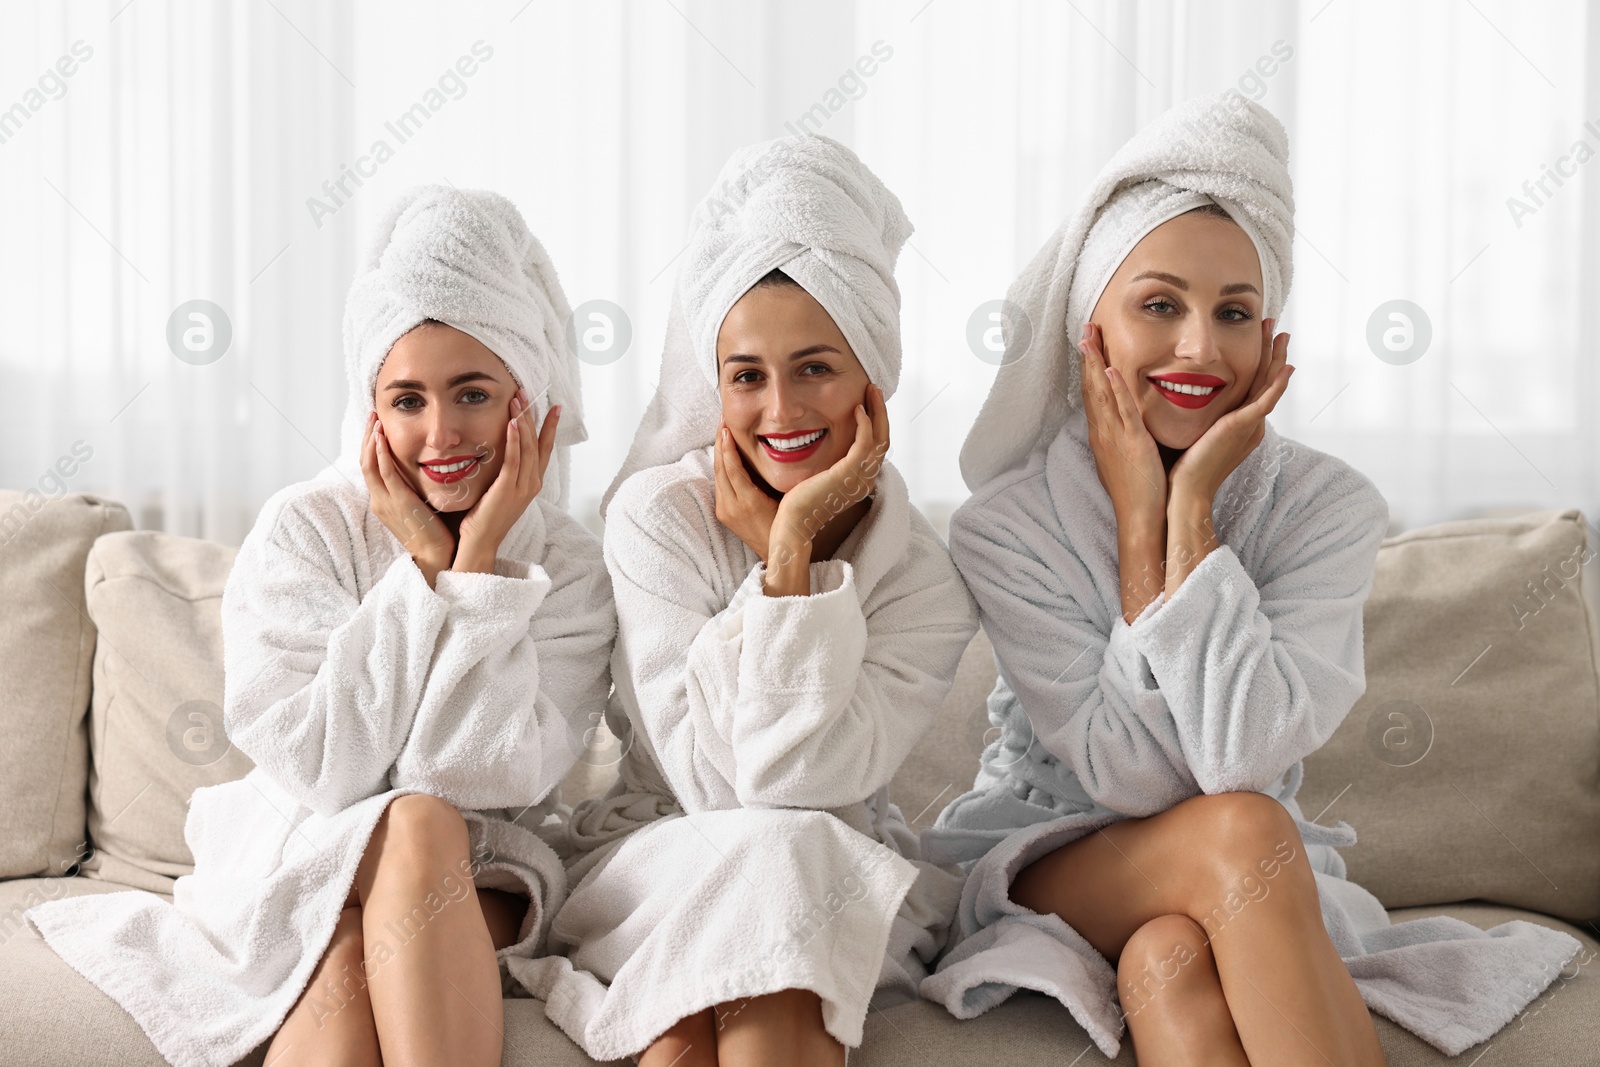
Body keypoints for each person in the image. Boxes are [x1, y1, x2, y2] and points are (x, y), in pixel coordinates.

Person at [921, 93, 1580, 1064]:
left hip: (1233, 870)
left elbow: (1244, 747)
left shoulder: (1323, 505)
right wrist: (1143, 522)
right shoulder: (1007, 524)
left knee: (1172, 958)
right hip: (1047, 857)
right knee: (1240, 828)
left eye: (1233, 311)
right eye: (1159, 305)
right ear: (1087, 327)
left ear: (1268, 335)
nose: (1200, 347)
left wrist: (1187, 519)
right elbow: (1126, 772)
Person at [28, 185, 616, 1067]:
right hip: (296, 842)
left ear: (525, 403)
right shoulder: (307, 528)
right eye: (408, 398)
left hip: (482, 861)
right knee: (390, 861)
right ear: (370, 408)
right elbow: (321, 767)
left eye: (472, 393)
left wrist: (477, 564)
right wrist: (423, 571)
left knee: (395, 871)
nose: (441, 431)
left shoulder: (567, 565)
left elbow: (470, 775)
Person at [512, 134, 979, 1067]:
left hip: (834, 864)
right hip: (662, 859)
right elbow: (721, 792)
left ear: (873, 379)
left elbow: (797, 791)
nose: (781, 411)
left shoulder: (926, 573)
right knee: (769, 882)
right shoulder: (655, 520)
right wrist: (788, 572)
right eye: (747, 376)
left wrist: (787, 553)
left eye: (816, 367)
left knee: (707, 1007)